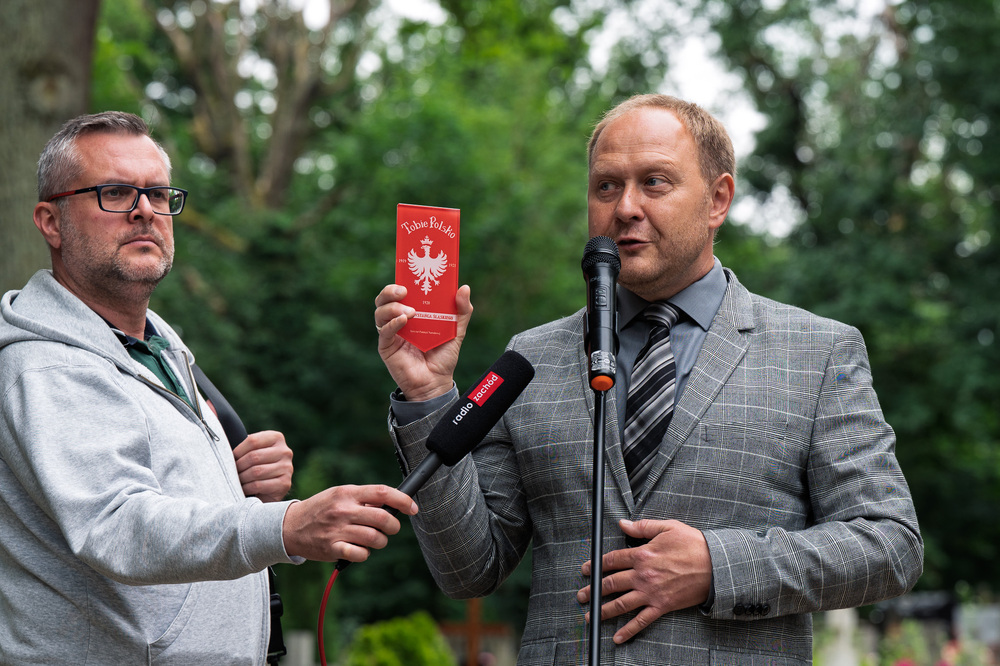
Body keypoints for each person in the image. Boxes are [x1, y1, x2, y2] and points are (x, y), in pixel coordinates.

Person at [373, 93, 923, 664]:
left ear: (718, 199)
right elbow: (469, 569)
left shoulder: (817, 351)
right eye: (606, 186)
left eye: (655, 182)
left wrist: (717, 565)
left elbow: (890, 545)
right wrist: (428, 393)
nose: (626, 207)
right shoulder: (530, 357)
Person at [0, 111, 417, 665]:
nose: (145, 210)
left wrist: (240, 490)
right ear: (50, 221)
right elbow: (116, 524)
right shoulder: (48, 366)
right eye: (116, 193)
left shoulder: (156, 349)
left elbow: (169, 507)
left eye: (157, 193)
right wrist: (286, 524)